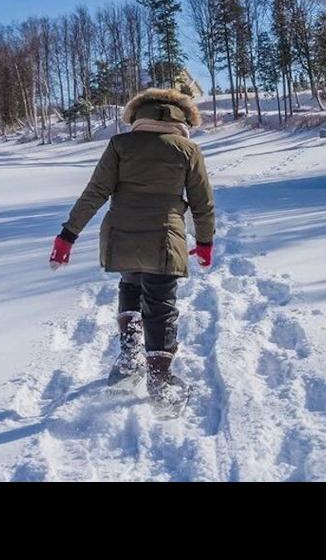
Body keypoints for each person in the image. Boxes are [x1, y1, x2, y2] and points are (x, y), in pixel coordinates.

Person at [48, 88, 215, 416]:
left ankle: (129, 361)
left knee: (131, 286)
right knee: (161, 304)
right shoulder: (188, 150)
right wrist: (205, 242)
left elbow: (95, 192)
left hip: (122, 235)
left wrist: (68, 235)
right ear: (182, 119)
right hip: (165, 239)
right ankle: (160, 380)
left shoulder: (120, 146)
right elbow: (202, 204)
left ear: (139, 116)